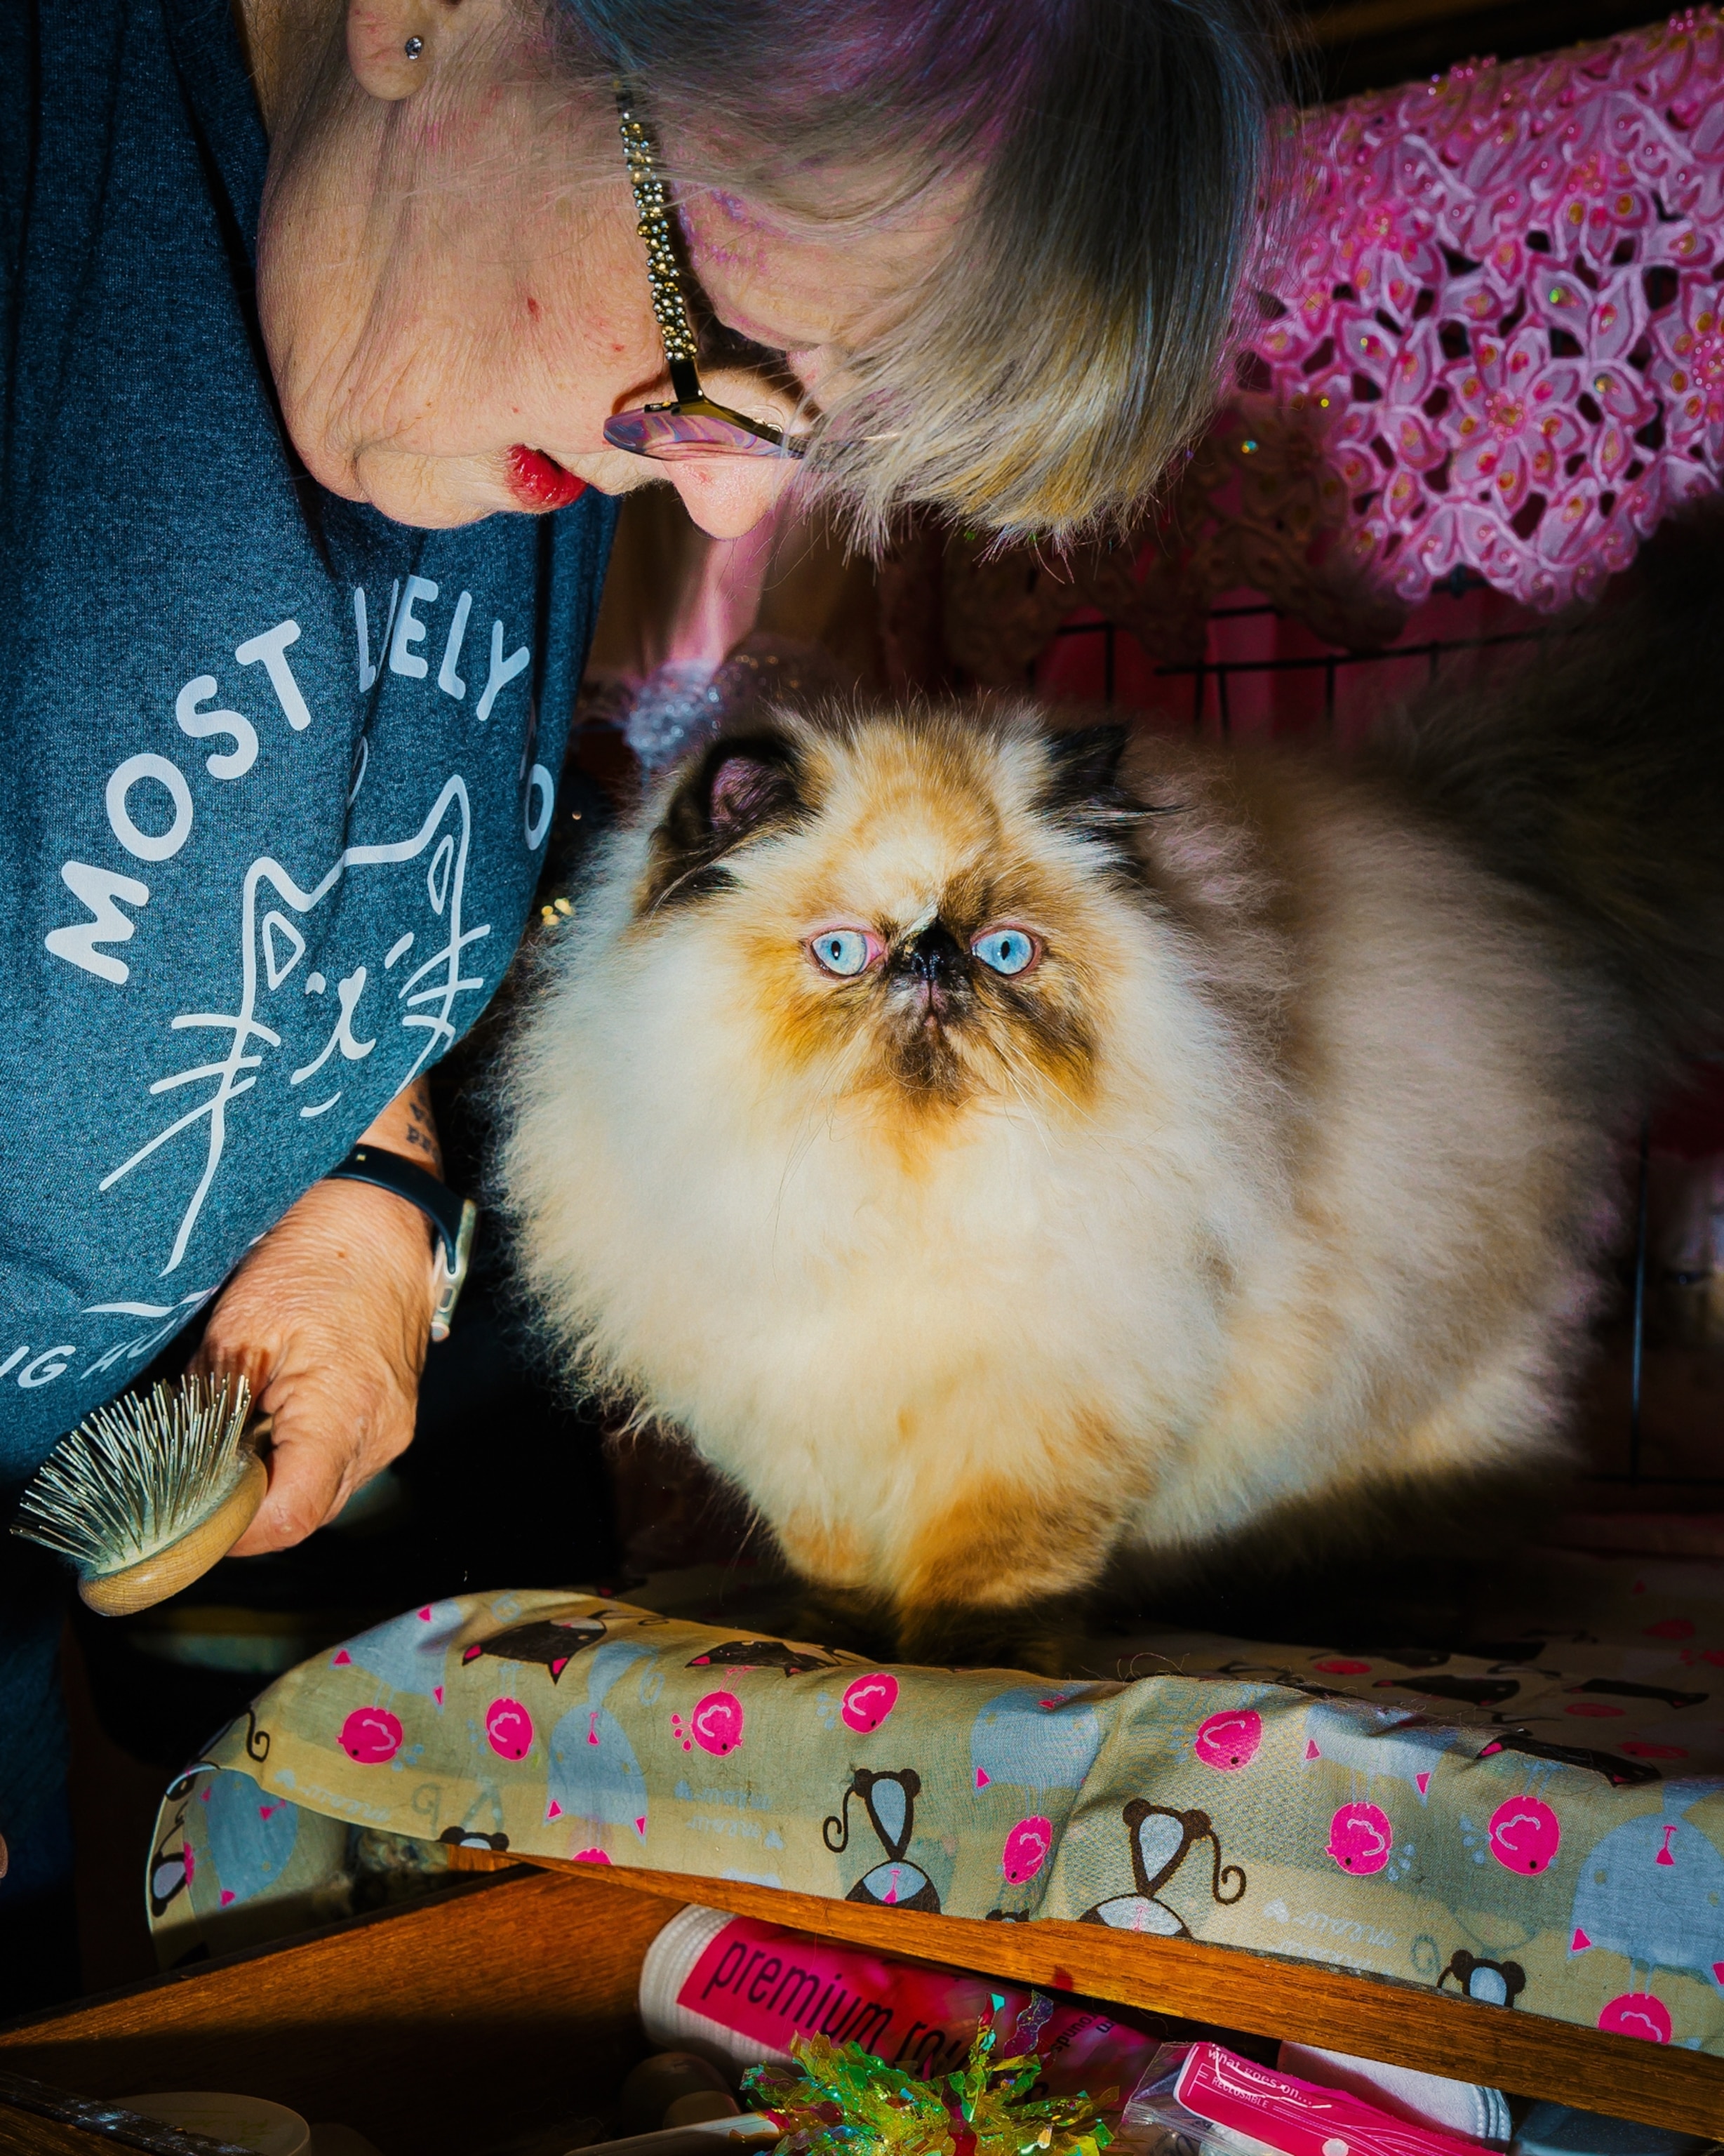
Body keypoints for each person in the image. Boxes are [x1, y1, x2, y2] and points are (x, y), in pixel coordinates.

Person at [0, 0, 1277, 2007]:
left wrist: (366, 1194)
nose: (713, 510)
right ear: (444, 19)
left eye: (804, 433)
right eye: (732, 353)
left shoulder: (506, 350)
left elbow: (293, 912)